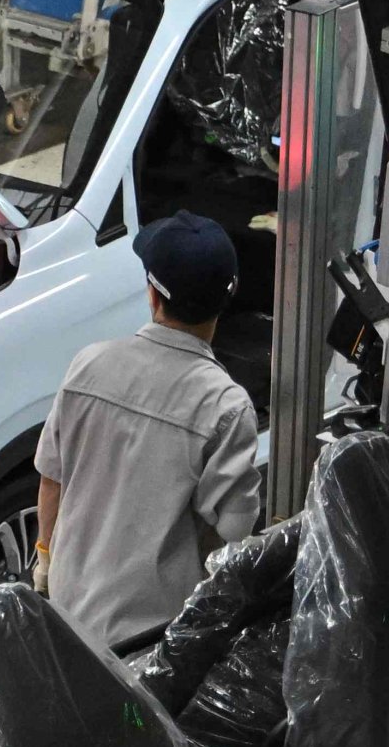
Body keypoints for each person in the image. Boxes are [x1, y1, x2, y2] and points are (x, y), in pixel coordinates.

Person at [35, 217, 263, 656]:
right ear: (224, 304)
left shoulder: (88, 366)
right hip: (156, 642)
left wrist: (46, 561)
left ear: (154, 295)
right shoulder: (225, 406)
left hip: (71, 620)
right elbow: (234, 531)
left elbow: (51, 480)